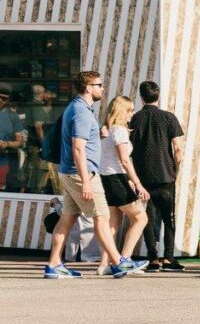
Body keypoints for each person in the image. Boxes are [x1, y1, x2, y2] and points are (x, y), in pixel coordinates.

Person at [44, 71, 143, 278]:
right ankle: (118, 263)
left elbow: (81, 141)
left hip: (69, 172)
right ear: (88, 88)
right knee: (102, 217)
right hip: (82, 173)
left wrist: (97, 135)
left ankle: (54, 264)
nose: (102, 88)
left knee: (68, 218)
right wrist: (86, 182)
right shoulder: (81, 112)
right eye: (99, 85)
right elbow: (78, 148)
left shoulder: (77, 108)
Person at [128, 80, 185, 270]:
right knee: (169, 218)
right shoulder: (169, 117)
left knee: (148, 218)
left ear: (141, 97)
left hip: (142, 176)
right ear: (158, 96)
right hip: (165, 174)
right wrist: (176, 169)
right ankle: (168, 258)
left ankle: (152, 258)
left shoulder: (135, 119)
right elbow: (178, 149)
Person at [98, 95, 151, 274]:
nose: (132, 114)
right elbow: (125, 160)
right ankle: (125, 260)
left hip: (105, 178)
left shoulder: (106, 130)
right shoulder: (119, 131)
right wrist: (138, 183)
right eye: (130, 110)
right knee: (141, 218)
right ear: (122, 111)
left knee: (113, 223)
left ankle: (104, 265)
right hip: (117, 179)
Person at [0, 85, 26, 191]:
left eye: (4, 98)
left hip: (3, 163)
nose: (1, 100)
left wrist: (6, 144)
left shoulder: (13, 116)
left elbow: (20, 142)